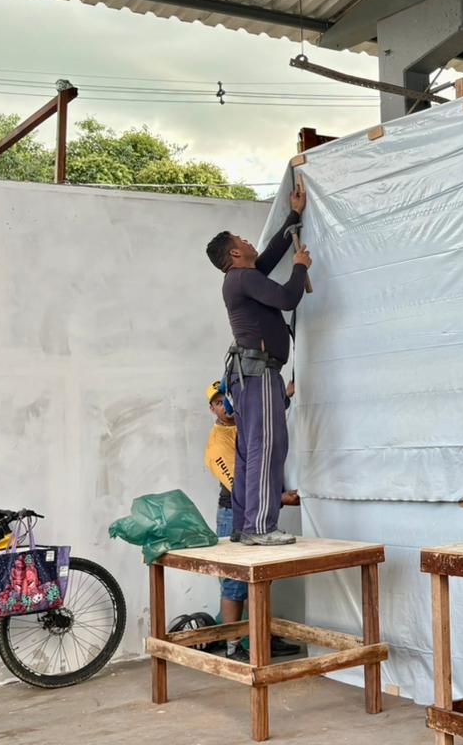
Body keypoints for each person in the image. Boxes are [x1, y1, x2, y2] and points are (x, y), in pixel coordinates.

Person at [205, 180, 310, 546]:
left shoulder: (242, 278)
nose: (251, 243)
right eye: (243, 241)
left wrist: (294, 215)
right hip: (259, 372)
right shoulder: (243, 278)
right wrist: (300, 267)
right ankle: (261, 527)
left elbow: (268, 255)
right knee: (267, 446)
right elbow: (285, 298)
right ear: (234, 254)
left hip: (247, 375)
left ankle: (246, 526)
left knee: (251, 449)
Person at [203, 381, 301, 661]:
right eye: (220, 402)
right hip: (235, 515)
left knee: (261, 579)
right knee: (234, 584)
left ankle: (262, 638)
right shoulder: (218, 444)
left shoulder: (245, 424)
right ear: (212, 409)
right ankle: (233, 647)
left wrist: (283, 394)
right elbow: (240, 486)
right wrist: (280, 498)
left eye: (229, 399)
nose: (227, 407)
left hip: (261, 510)